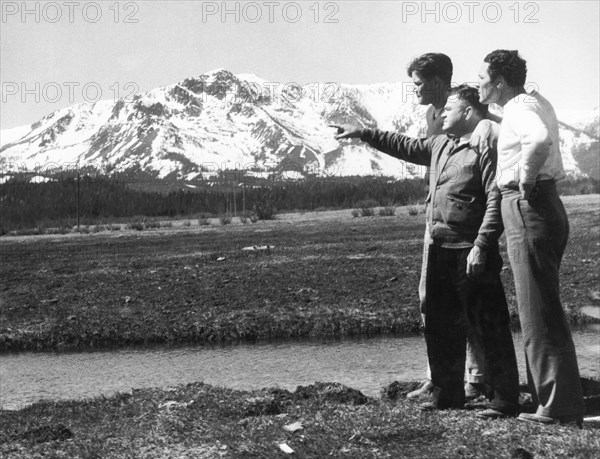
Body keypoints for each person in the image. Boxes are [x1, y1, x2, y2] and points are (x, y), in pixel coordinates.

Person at [331, 85, 520, 414]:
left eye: (450, 108)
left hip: (471, 248)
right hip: (439, 247)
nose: (442, 113)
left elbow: (496, 197)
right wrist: (363, 133)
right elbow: (403, 145)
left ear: (469, 112)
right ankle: (447, 394)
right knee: (440, 323)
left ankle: (503, 399)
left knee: (487, 325)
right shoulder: (439, 144)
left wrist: (482, 245)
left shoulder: (486, 143)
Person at [478, 50, 585, 427]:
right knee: (542, 304)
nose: (480, 85)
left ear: (500, 82)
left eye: (483, 79)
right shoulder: (532, 102)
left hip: (528, 205)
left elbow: (538, 141)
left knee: (537, 309)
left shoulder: (520, 110)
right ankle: (550, 399)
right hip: (544, 205)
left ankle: (558, 406)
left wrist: (524, 177)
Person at [406, 53, 490, 401]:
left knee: (467, 304)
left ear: (437, 82)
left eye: (418, 83)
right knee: (432, 300)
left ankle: (477, 377)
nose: (414, 90)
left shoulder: (469, 113)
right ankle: (439, 375)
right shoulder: (432, 115)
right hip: (436, 219)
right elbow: (426, 153)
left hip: (464, 227)